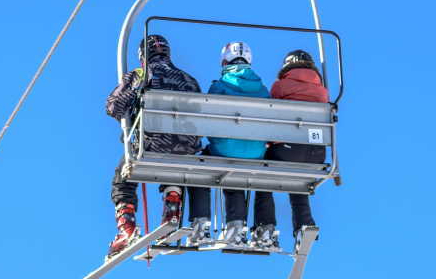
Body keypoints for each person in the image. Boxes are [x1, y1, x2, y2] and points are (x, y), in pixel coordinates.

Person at [105, 34, 212, 257]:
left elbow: (114, 107)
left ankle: (127, 229)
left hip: (150, 146)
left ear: (143, 55)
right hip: (186, 148)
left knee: (122, 180)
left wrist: (132, 98)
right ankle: (172, 207)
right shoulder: (189, 80)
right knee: (174, 162)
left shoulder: (141, 75)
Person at [251, 50, 330, 252]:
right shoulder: (323, 91)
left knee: (262, 178)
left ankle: (265, 227)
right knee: (299, 182)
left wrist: (268, 142)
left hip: (287, 148)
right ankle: (304, 225)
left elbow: (274, 116)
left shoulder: (280, 86)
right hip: (316, 153)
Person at [206, 42, 270, 247]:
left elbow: (207, 119)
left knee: (225, 164)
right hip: (256, 152)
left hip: (226, 149)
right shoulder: (262, 89)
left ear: (224, 62)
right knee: (259, 173)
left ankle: (234, 226)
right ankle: (265, 228)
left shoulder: (219, 86)